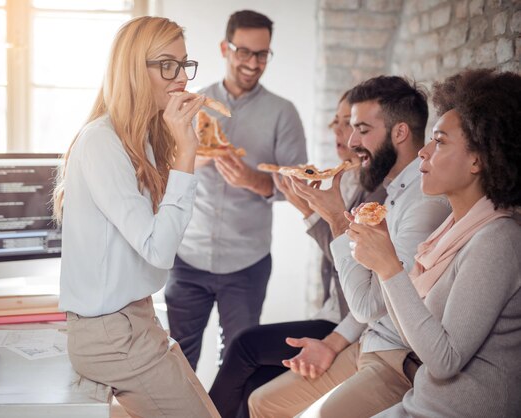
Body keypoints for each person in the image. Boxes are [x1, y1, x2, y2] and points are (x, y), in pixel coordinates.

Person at [248, 75, 451, 418]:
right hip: (365, 343)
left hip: (395, 358)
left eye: (362, 129)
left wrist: (337, 221)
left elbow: (370, 304)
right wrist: (331, 343)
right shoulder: (394, 191)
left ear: (399, 133)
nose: (352, 141)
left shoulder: (424, 203)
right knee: (262, 402)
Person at [53, 16, 219, 418]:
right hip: (113, 335)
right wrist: (186, 152)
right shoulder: (101, 142)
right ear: (132, 68)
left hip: (135, 322)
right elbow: (158, 250)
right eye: (167, 64)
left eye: (183, 64)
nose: (180, 77)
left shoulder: (141, 138)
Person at [347, 68, 521, 418]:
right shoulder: (455, 227)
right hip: (423, 405)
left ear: (478, 159)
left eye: (439, 142)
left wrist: (388, 266)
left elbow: (444, 361)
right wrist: (385, 258)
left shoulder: (498, 240)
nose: (423, 152)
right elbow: (413, 332)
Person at [208, 91, 386, 418]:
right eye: (338, 122)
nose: (340, 132)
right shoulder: (350, 182)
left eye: (352, 124)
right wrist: (310, 210)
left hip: (348, 321)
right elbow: (340, 258)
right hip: (338, 312)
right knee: (253, 384)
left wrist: (316, 214)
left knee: (243, 345)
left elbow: (355, 268)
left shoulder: (377, 194)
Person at [165, 9, 307, 370]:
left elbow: (298, 186)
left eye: (262, 54)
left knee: (239, 362)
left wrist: (252, 179)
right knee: (177, 360)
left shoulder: (283, 113)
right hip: (186, 257)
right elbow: (160, 170)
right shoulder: (189, 104)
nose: (252, 63)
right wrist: (193, 158)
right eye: (244, 51)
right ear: (225, 48)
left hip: (247, 264)